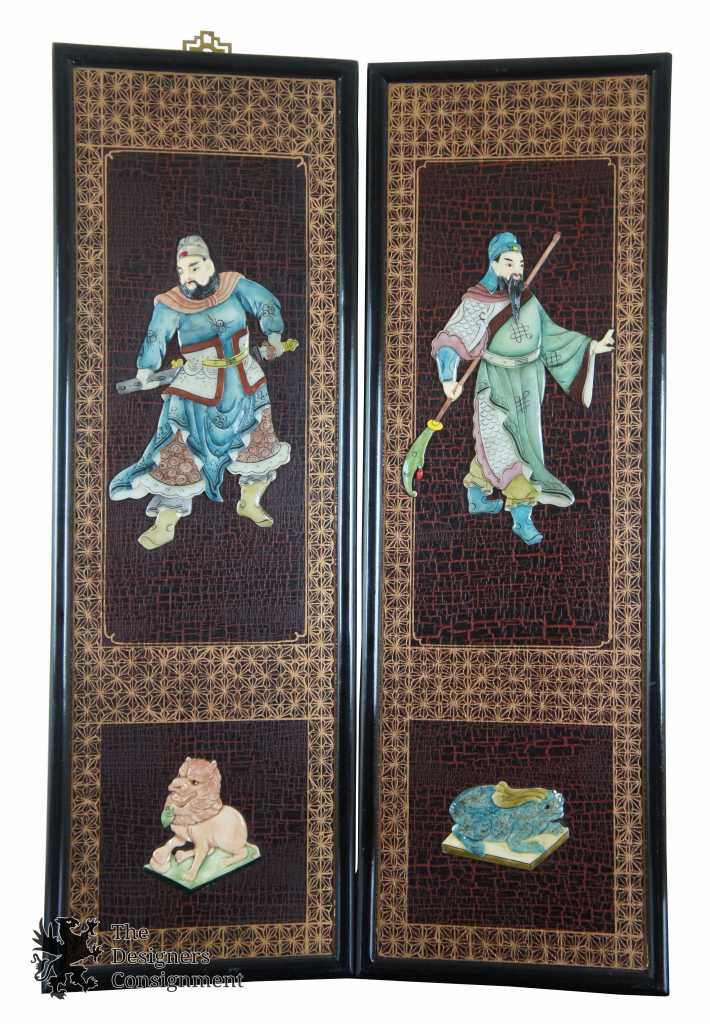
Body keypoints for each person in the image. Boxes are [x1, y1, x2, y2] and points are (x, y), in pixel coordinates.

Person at [432, 231, 614, 545]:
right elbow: (452, 338)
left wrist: (590, 348)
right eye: (509, 262)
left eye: (520, 263)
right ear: (493, 264)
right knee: (502, 445)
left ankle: (476, 495)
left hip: (529, 383)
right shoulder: (477, 301)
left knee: (519, 445)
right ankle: (522, 519)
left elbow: (551, 335)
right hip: (496, 383)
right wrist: (448, 378)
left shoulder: (527, 298)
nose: (517, 269)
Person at [110, 235, 291, 549]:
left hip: (244, 380)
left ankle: (250, 501)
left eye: (193, 267)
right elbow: (156, 336)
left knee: (258, 445)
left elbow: (265, 303)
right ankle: (165, 522)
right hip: (197, 385)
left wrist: (274, 334)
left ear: (209, 263)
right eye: (182, 271)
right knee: (177, 454)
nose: (187, 276)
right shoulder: (171, 303)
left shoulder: (234, 286)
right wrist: (146, 370)